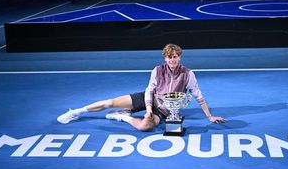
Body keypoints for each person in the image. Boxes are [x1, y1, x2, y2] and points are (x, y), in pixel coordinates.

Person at [57, 43, 226, 131]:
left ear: (179, 57)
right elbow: (149, 90)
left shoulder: (188, 74)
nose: (173, 60)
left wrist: (209, 116)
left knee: (145, 126)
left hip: (165, 110)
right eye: (169, 57)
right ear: (165, 58)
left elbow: (198, 96)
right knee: (108, 103)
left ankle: (123, 117)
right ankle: (76, 112)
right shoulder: (157, 70)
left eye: (175, 57)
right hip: (148, 99)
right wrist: (148, 108)